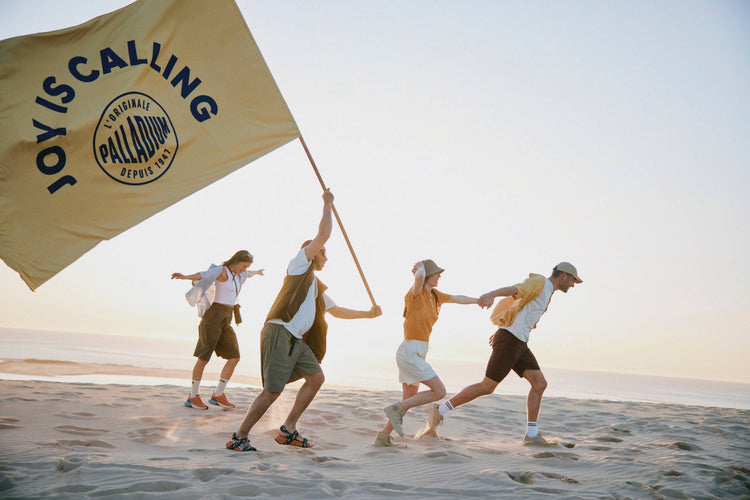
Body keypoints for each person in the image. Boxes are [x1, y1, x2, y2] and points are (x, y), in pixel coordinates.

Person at [226, 188, 382, 452]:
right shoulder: (299, 265)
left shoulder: (315, 285)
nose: (326, 257)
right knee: (272, 392)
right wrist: (327, 204)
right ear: (312, 252)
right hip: (280, 331)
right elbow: (324, 234)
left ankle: (288, 428)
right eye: (323, 253)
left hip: (296, 340)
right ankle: (239, 436)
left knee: (316, 378)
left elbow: (337, 311)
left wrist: (368, 314)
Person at [425, 262, 583, 444]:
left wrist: (503, 327)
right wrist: (491, 295)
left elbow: (519, 308)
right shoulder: (540, 283)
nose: (573, 284)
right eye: (572, 280)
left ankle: (532, 435)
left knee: (539, 384)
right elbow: (515, 289)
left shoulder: (548, 292)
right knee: (487, 386)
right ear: (563, 275)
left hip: (519, 342)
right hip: (510, 342)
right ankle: (440, 411)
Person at [376, 260, 481, 447]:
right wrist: (420, 267)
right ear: (428, 275)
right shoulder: (415, 294)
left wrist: (478, 300)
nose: (439, 276)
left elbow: (458, 298)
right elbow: (418, 278)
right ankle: (396, 409)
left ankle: (383, 437)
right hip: (409, 351)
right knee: (439, 391)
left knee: (408, 399)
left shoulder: (435, 295)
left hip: (418, 352)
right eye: (436, 273)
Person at [172, 250, 264, 410]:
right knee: (203, 358)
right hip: (213, 317)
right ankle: (193, 397)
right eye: (243, 266)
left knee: (234, 357)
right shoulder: (222, 271)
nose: (244, 270)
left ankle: (218, 395)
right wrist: (184, 276)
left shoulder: (239, 275)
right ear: (236, 261)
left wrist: (256, 272)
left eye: (246, 267)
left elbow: (248, 274)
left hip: (227, 318)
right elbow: (203, 275)